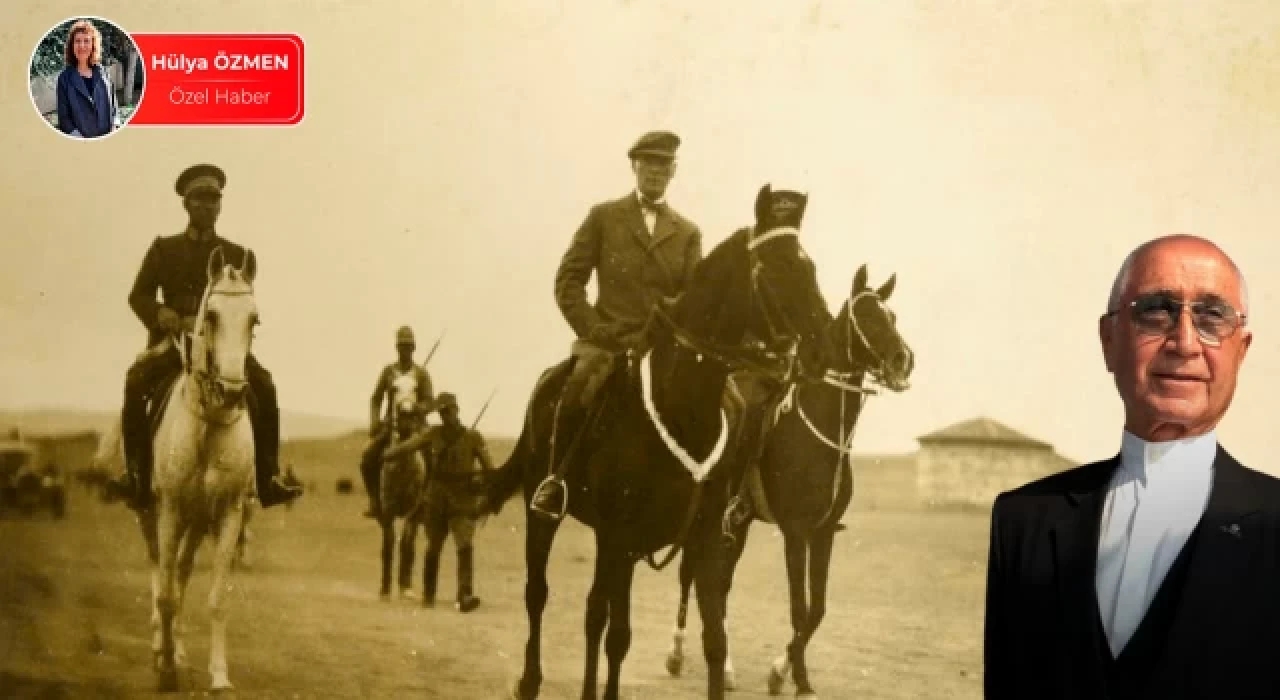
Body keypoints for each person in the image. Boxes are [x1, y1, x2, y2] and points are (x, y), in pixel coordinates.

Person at [983, 234, 1280, 699]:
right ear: (1109, 341)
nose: (1184, 343)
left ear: (1240, 352)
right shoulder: (1024, 522)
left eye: (1211, 317)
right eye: (1156, 312)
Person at [104, 164, 303, 511]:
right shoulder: (164, 249)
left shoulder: (236, 255)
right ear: (186, 204)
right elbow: (138, 296)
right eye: (200, 199)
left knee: (265, 387)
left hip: (221, 348)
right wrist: (161, 314)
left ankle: (268, 479)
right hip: (175, 345)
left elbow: (240, 306)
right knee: (135, 382)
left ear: (220, 206)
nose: (208, 206)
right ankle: (136, 476)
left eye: (214, 200)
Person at [527, 130, 704, 518]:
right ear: (634, 167)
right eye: (648, 163)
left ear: (674, 172)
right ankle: (555, 482)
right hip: (607, 341)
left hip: (659, 347)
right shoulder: (604, 217)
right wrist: (593, 328)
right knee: (577, 387)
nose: (655, 172)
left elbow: (694, 299)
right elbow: (569, 280)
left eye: (664, 165)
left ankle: (707, 492)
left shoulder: (689, 232)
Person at [383, 393, 493, 612]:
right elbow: (411, 445)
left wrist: (483, 486)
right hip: (436, 497)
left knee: (464, 545)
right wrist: (389, 454)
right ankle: (429, 594)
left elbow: (488, 468)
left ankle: (464, 595)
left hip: (462, 498)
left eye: (448, 411)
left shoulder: (473, 437)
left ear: (456, 410)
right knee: (433, 546)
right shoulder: (433, 434)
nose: (445, 416)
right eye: (442, 413)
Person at [359, 326, 436, 518]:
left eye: (408, 346)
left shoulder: (422, 374)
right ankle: (374, 500)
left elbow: (430, 402)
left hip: (417, 425)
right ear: (397, 347)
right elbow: (376, 399)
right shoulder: (388, 372)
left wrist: (418, 408)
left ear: (414, 348)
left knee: (433, 455)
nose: (405, 350)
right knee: (367, 457)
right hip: (391, 424)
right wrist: (374, 420)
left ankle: (427, 499)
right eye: (402, 346)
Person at [55, 19, 118, 138]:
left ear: (93, 45)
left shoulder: (103, 73)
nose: (82, 45)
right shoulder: (64, 79)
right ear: (72, 46)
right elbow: (64, 118)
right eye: (77, 41)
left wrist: (114, 127)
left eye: (86, 41)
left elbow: (114, 106)